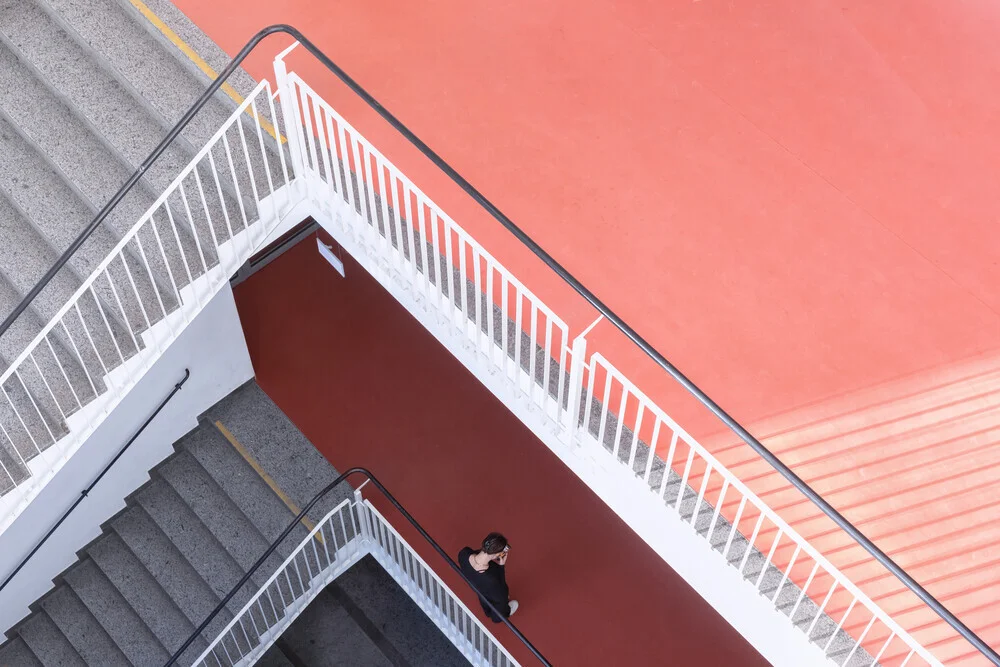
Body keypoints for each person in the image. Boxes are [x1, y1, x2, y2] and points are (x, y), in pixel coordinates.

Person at [458, 532, 518, 623]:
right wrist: (501, 565)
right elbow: (502, 591)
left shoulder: (464, 553)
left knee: (483, 597)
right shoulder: (491, 578)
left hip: (476, 585)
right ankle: (501, 615)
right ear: (496, 554)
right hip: (490, 588)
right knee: (500, 603)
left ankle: (488, 612)